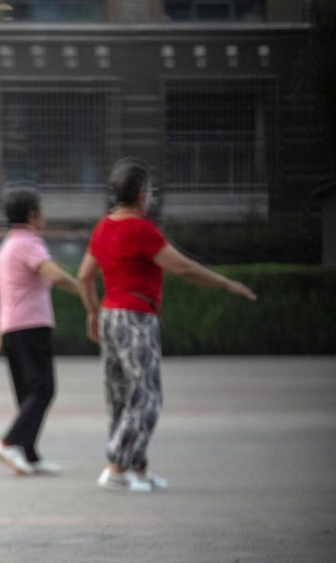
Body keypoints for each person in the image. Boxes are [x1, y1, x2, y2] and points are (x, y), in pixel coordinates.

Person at [77, 158, 257, 492]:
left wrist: (91, 313)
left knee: (121, 396)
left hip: (110, 316)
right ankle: (116, 467)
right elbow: (184, 268)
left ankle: (138, 469)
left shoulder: (104, 227)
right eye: (150, 191)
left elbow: (84, 276)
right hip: (136, 317)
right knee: (146, 397)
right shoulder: (142, 231)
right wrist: (227, 284)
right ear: (142, 194)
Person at [0, 185, 80, 476]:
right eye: (42, 211)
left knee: (28, 393)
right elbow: (54, 274)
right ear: (33, 215)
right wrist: (84, 292)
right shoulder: (30, 243)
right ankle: (8, 442)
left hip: (12, 328)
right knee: (43, 388)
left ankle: (30, 454)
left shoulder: (9, 244)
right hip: (32, 325)